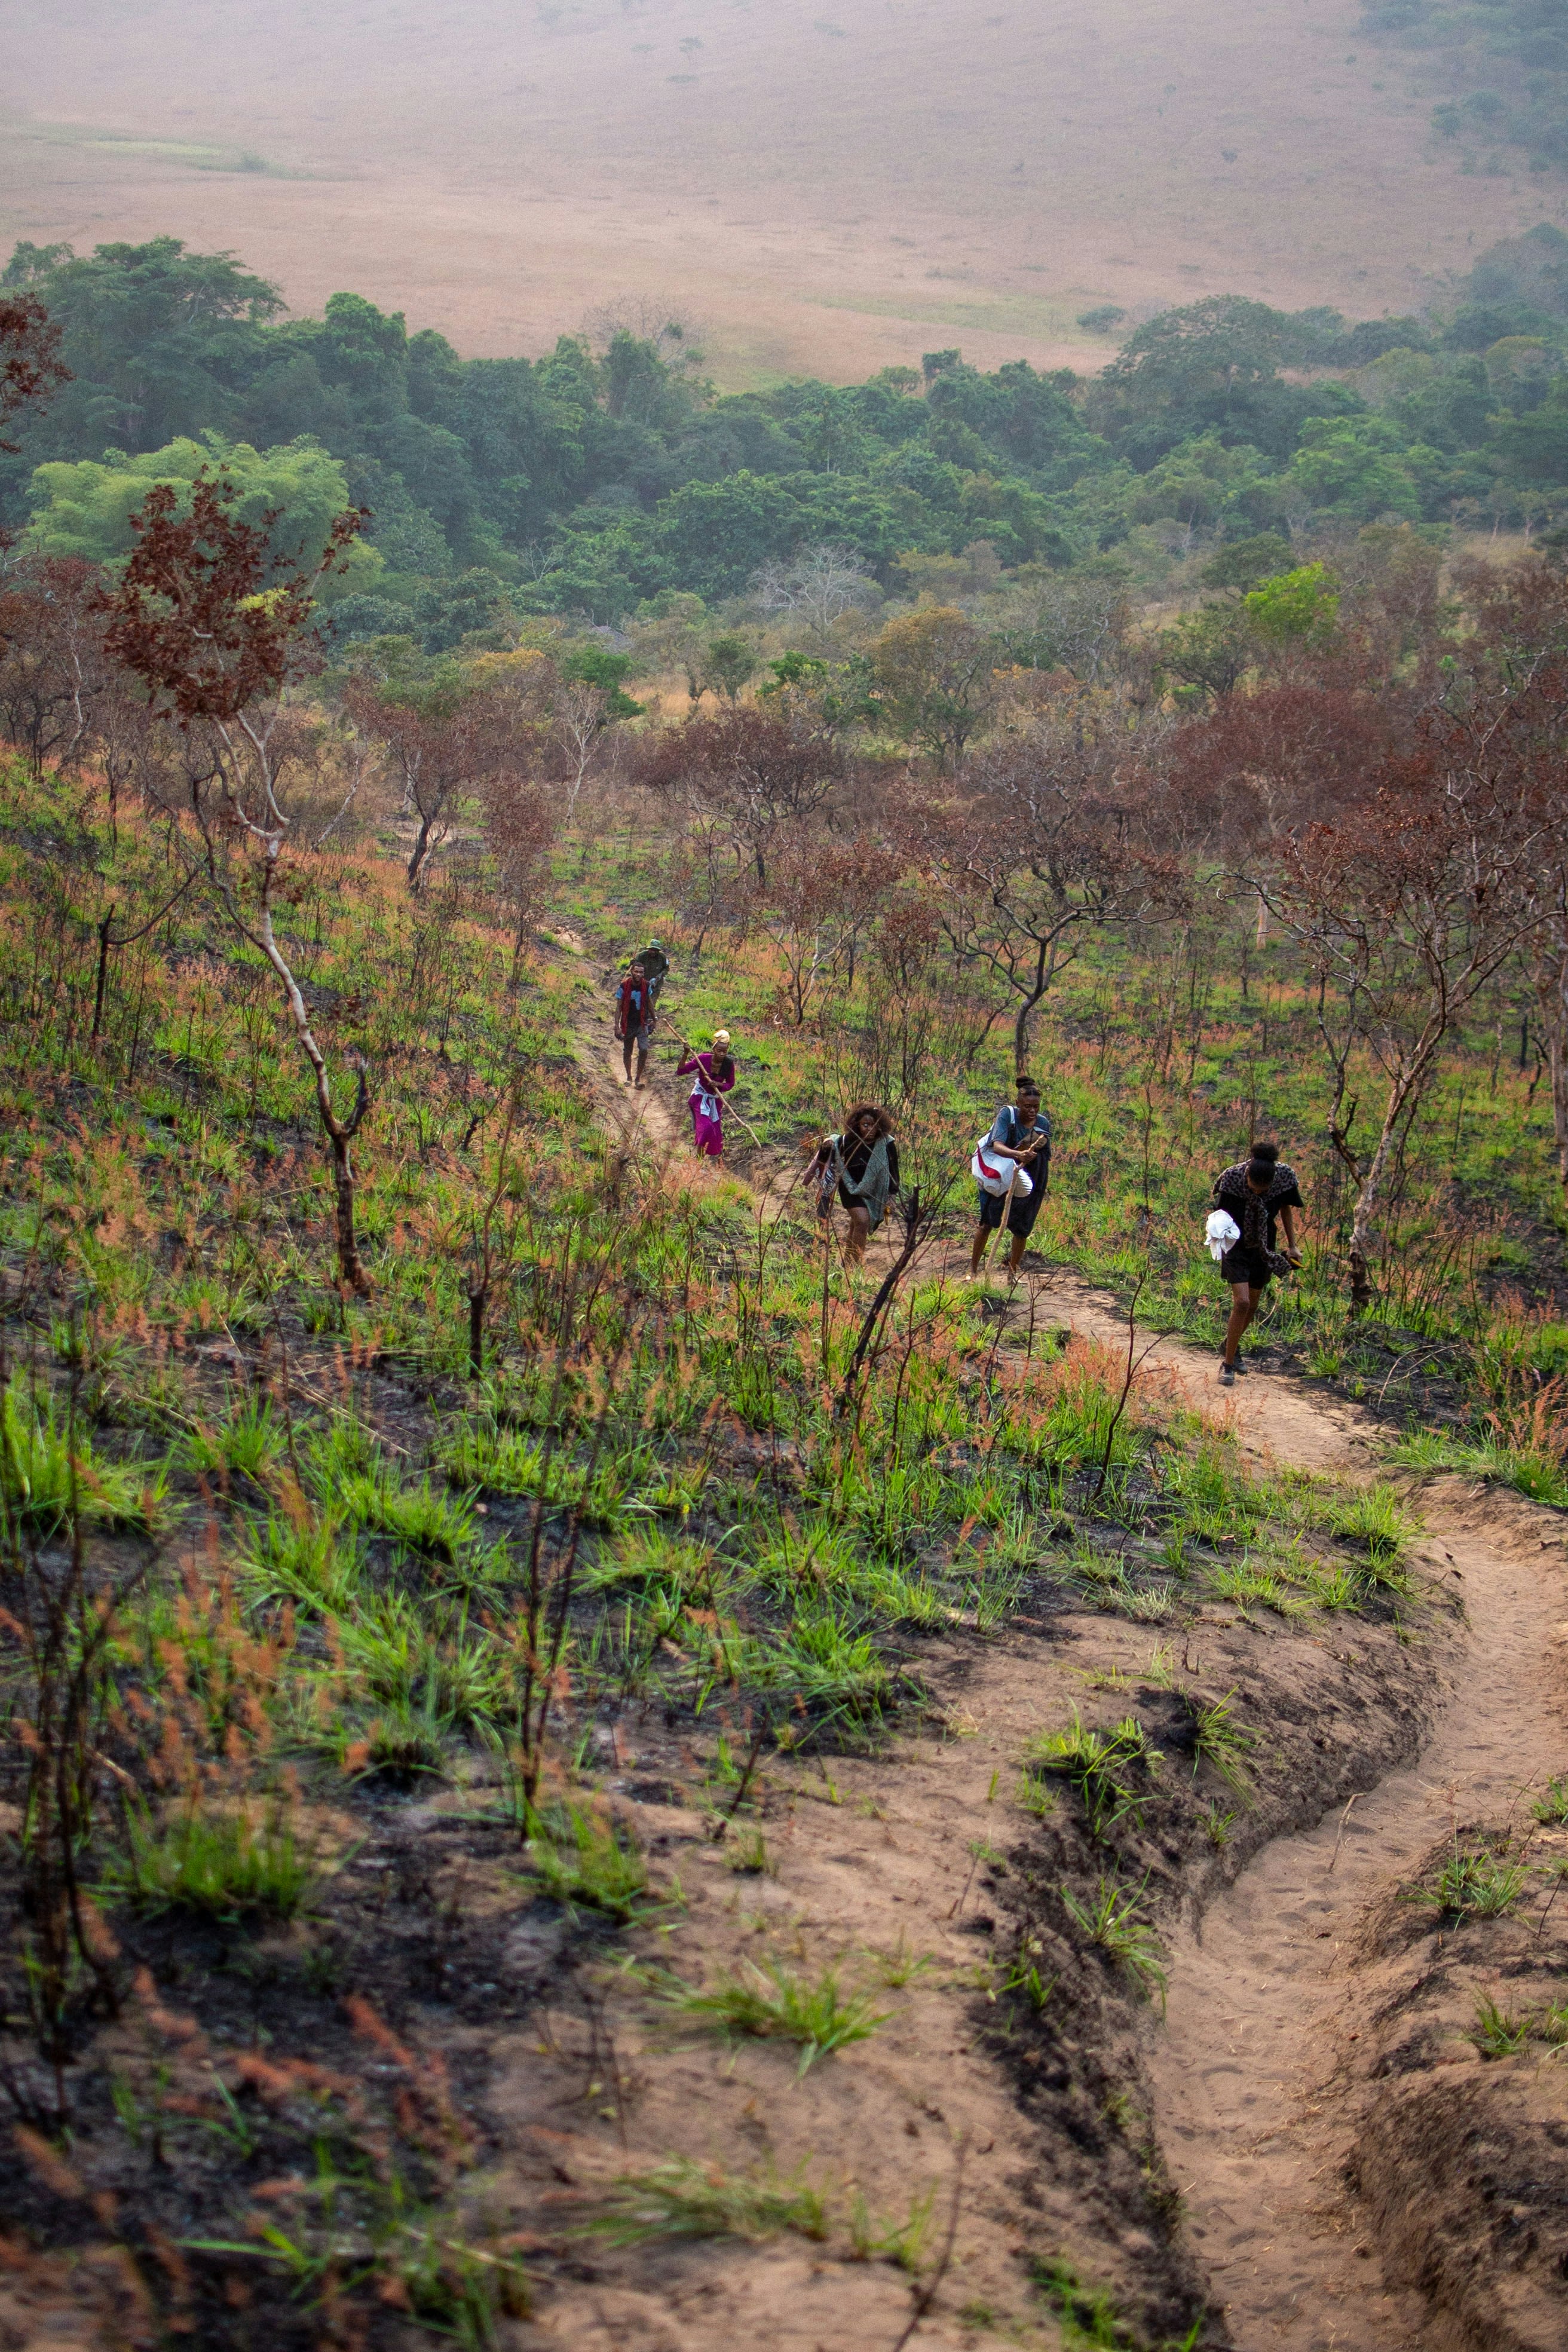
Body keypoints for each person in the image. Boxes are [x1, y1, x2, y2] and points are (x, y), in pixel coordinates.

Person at [1212, 1140, 1303, 1386]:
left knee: (1252, 1305)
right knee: (1241, 1303)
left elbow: (1285, 1209)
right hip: (1235, 1245)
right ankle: (1228, 1365)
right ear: (1248, 1175)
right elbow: (1219, 1216)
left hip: (1264, 1246)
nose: (1259, 1193)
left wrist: (1293, 1245)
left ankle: (1230, 1345)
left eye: (1265, 1189)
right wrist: (1216, 1240)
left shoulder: (1284, 1177)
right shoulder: (1232, 1178)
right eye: (1255, 1187)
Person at [969, 1079, 1052, 1277]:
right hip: (1000, 1176)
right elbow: (997, 1146)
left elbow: (1044, 1151)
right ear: (1018, 1103)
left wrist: (1031, 1155)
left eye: (1036, 1107)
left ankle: (1012, 1274)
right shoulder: (1007, 1115)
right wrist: (1018, 1155)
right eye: (1027, 1106)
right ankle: (973, 1271)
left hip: (1031, 1178)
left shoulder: (1043, 1123)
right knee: (987, 1222)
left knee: (1022, 1229)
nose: (1032, 1111)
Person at [808, 1103, 899, 1266]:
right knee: (863, 1221)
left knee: (856, 1225)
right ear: (857, 1124)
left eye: (875, 1126)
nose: (871, 1130)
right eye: (866, 1125)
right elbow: (830, 1147)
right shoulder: (847, 1141)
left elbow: (894, 1171)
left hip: (874, 1190)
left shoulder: (886, 1144)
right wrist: (827, 1144)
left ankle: (847, 1262)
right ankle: (855, 1267)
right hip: (849, 1187)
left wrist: (891, 1196)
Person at [676, 1030, 736, 1158]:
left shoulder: (729, 1065)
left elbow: (730, 1084)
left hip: (715, 1100)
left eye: (724, 1051)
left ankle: (718, 1162)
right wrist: (686, 1053)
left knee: (716, 1133)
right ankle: (698, 1160)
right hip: (700, 1098)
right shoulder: (703, 1059)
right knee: (706, 1127)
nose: (722, 1054)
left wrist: (720, 1085)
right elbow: (681, 1071)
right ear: (714, 1048)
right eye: (719, 1050)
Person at [614, 960, 657, 1086]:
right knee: (628, 1050)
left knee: (644, 1050)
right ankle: (629, 1077)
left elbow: (649, 1003)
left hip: (642, 1023)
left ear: (644, 974)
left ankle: (638, 1079)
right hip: (628, 1023)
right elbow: (619, 1007)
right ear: (632, 972)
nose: (638, 974)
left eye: (641, 972)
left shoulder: (646, 986)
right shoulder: (624, 986)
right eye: (636, 971)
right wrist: (617, 1026)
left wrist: (654, 1019)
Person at [634, 940, 670, 1004]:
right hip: (643, 980)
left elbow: (666, 969)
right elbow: (634, 968)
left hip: (656, 982)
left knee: (652, 1002)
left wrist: (660, 975)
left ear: (658, 951)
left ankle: (650, 1011)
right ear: (649, 949)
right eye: (652, 949)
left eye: (655, 950)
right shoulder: (641, 956)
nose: (653, 952)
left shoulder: (663, 958)